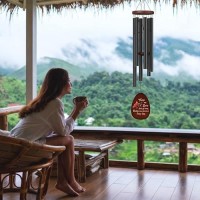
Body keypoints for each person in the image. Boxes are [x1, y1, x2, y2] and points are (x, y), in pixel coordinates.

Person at [10, 68, 88, 196]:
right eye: (68, 81)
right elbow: (64, 131)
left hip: (17, 144)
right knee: (69, 140)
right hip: (25, 149)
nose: (71, 84)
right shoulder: (55, 103)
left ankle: (63, 182)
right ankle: (70, 181)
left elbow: (61, 130)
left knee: (65, 140)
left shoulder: (44, 100)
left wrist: (75, 111)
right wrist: (77, 111)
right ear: (61, 84)